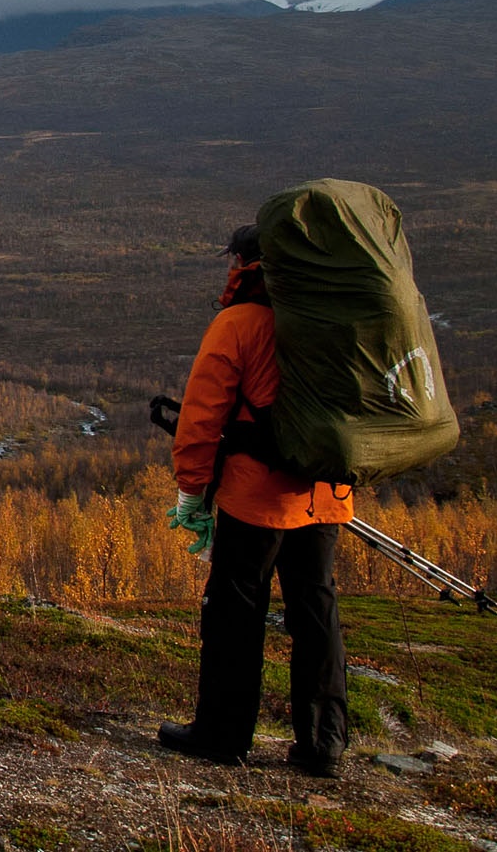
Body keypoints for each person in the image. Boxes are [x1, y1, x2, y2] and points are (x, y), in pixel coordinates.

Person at [158, 223, 354, 778]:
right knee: (316, 610)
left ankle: (222, 734)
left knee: (234, 611)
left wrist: (191, 493)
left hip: (256, 500)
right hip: (325, 495)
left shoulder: (239, 323)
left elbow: (200, 420)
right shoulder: (331, 320)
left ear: (247, 264)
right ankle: (324, 745)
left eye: (233, 260)